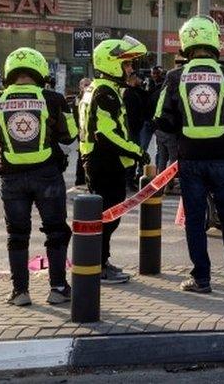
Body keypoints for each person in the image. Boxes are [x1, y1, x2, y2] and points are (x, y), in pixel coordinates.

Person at [154, 15, 224, 293]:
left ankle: (201, 279)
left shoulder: (174, 77)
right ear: (214, 40)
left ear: (185, 43)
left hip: (190, 160)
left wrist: (182, 126)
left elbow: (161, 120)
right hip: (223, 159)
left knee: (195, 220)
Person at [0, 48, 74, 306]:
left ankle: (20, 292)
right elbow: (70, 135)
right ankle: (58, 288)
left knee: (17, 235)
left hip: (11, 177)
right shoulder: (53, 99)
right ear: (40, 71)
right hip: (47, 176)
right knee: (55, 231)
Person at [78, 36, 148, 285]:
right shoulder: (105, 92)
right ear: (111, 63)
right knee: (108, 216)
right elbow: (107, 135)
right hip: (105, 163)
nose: (130, 69)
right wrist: (136, 151)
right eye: (126, 64)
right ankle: (98, 265)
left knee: (108, 216)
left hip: (98, 162)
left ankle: (101, 261)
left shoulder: (98, 89)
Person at [123, 72, 150, 191]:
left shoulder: (135, 91)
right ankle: (128, 180)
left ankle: (130, 179)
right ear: (133, 79)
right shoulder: (128, 93)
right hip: (132, 128)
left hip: (135, 127)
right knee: (132, 154)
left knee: (135, 154)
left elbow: (145, 98)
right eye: (138, 78)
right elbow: (131, 112)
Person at [72, 77, 92, 186]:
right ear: (80, 87)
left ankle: (88, 178)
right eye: (85, 85)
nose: (87, 87)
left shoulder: (93, 97)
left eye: (89, 84)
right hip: (82, 131)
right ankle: (79, 179)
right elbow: (76, 116)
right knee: (81, 155)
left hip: (91, 131)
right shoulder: (78, 99)